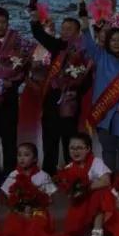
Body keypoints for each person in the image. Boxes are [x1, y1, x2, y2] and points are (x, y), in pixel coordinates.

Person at [27, 11, 89, 175]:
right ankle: (48, 175)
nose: (65, 32)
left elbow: (87, 79)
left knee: (70, 142)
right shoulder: (57, 46)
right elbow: (39, 35)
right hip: (52, 103)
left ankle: (72, 176)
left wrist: (75, 90)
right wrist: (34, 20)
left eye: (69, 29)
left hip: (70, 104)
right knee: (50, 141)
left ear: (77, 32)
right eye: (63, 28)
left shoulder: (84, 51)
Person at [81, 18, 119, 175]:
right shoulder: (100, 55)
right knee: (108, 150)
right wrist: (85, 29)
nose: (116, 43)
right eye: (113, 40)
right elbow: (89, 44)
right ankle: (110, 184)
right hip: (103, 112)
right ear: (108, 42)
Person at [0, 8, 34, 183]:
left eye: (3, 22)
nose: (0, 26)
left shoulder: (17, 43)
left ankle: (9, 179)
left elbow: (25, 69)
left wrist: (12, 83)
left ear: (8, 23)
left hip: (8, 99)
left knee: (9, 140)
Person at [0, 142, 56, 236]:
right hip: (19, 210)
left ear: (35, 159)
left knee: (38, 224)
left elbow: (50, 197)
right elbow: (6, 195)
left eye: (26, 155)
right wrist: (16, 204)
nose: (22, 158)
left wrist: (37, 202)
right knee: (13, 224)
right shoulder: (13, 174)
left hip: (36, 210)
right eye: (19, 155)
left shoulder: (43, 175)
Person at [57, 132, 112, 236]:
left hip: (96, 196)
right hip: (81, 199)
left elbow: (106, 181)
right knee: (73, 230)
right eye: (72, 148)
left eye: (79, 148)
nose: (75, 151)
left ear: (88, 149)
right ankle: (87, 226)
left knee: (101, 193)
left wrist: (85, 187)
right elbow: (68, 191)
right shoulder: (68, 168)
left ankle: (97, 229)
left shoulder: (96, 162)